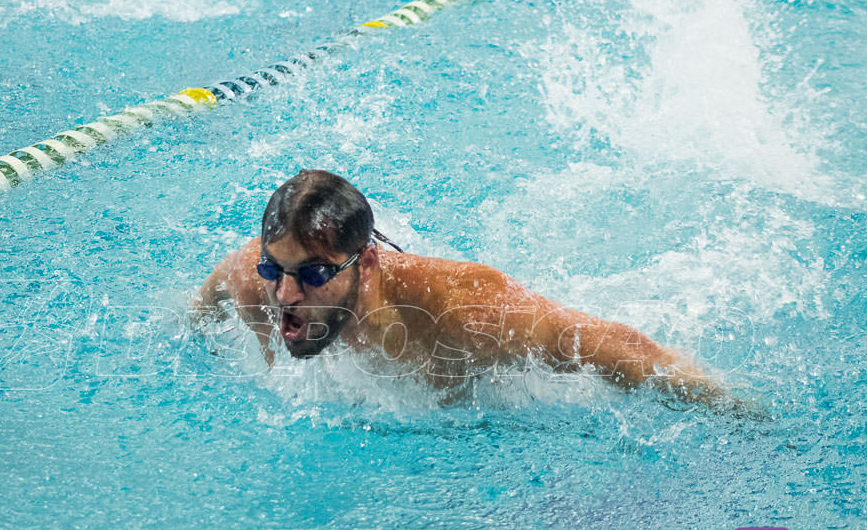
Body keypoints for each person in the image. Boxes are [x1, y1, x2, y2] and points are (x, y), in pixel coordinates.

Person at [194, 169, 732, 406]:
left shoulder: (463, 311)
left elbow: (618, 348)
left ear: (369, 265)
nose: (285, 295)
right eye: (275, 269)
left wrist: (741, 416)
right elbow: (192, 317)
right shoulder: (249, 281)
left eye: (312, 275)